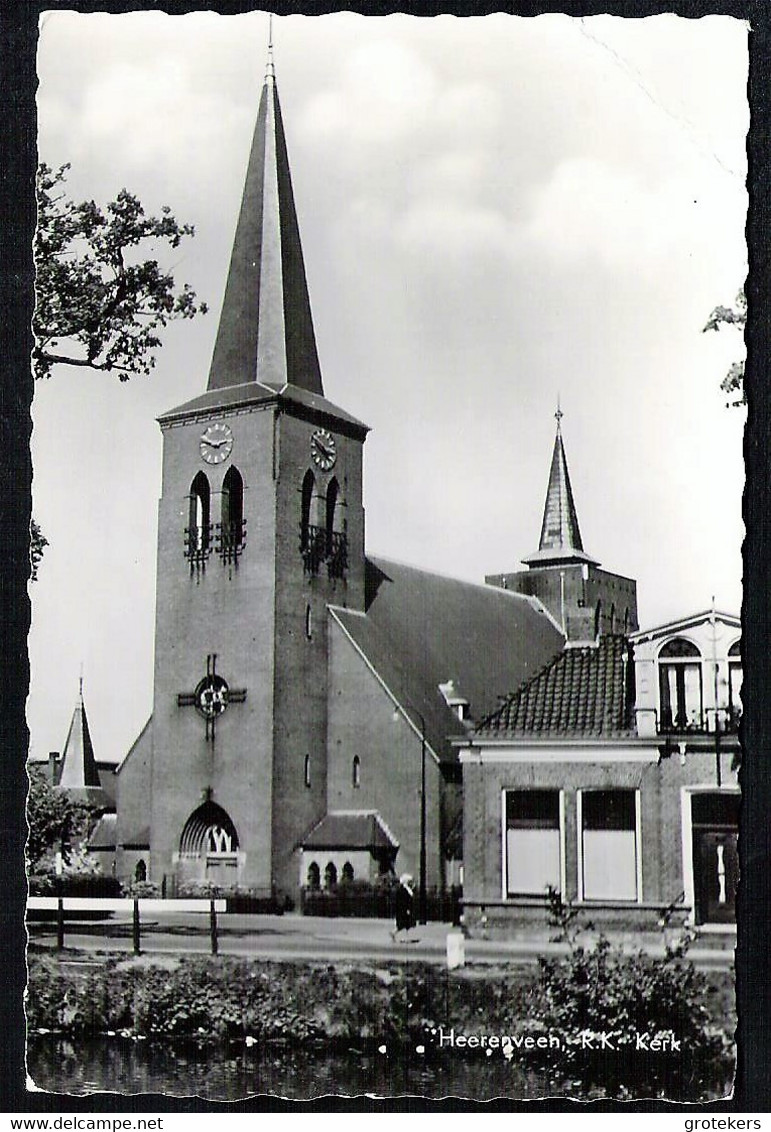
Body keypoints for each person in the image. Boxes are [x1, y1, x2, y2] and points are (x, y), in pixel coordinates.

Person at [392, 873, 415, 940]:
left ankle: (395, 934)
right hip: (404, 910)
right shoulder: (403, 890)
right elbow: (404, 901)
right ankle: (404, 936)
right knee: (405, 924)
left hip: (405, 910)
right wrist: (407, 909)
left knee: (406, 924)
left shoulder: (407, 889)